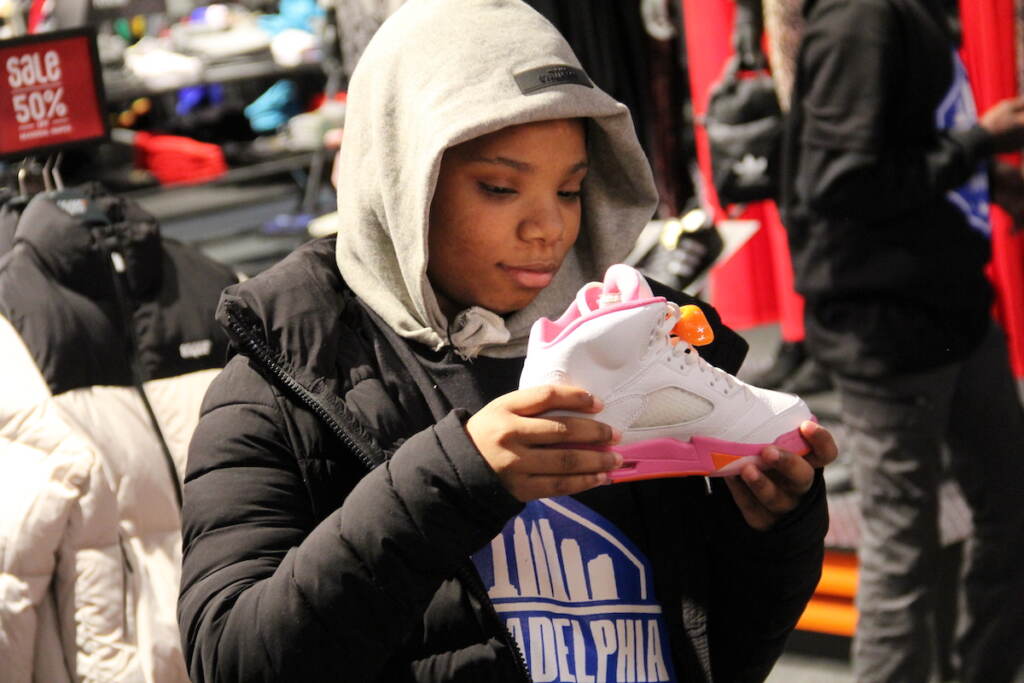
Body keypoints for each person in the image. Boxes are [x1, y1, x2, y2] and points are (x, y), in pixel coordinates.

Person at [178, 1, 838, 681]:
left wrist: (773, 526)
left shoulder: (640, 347)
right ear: (406, 177)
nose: (548, 227)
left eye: (573, 189)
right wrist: (456, 478)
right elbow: (232, 660)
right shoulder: (281, 381)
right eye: (500, 187)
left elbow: (718, 651)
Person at [780, 1, 1024, 681]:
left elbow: (899, 149)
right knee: (904, 551)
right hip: (884, 329)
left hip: (952, 312)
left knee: (1009, 511)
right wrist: (978, 144)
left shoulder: (906, 12)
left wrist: (982, 176)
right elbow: (837, 182)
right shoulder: (864, 17)